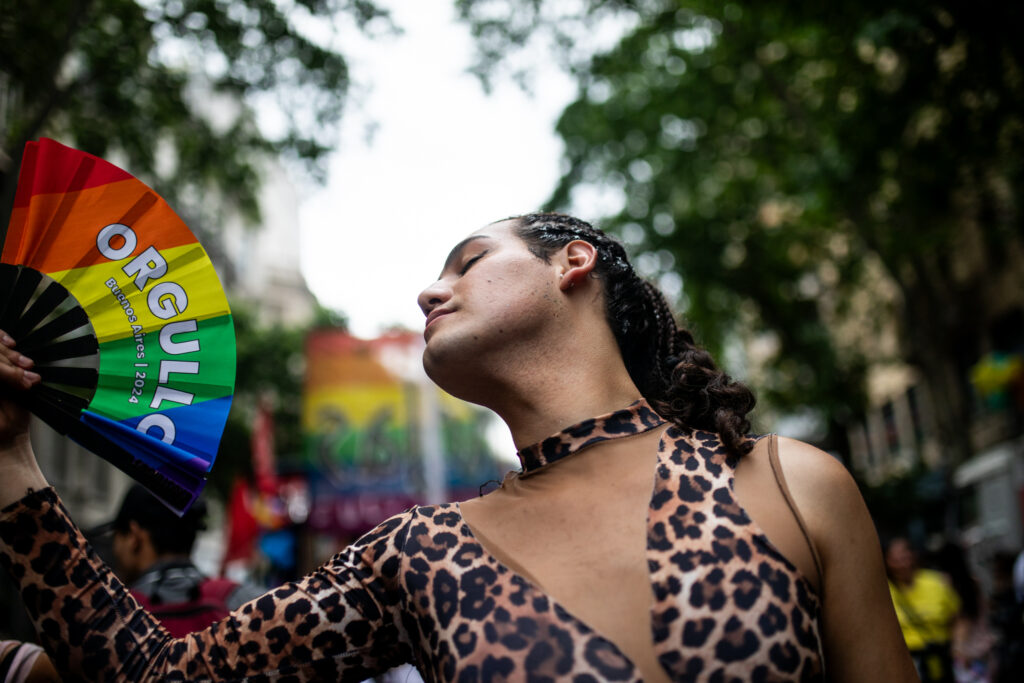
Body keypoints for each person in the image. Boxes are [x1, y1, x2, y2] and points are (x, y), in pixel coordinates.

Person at [0, 213, 916, 680]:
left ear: (574, 261)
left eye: (467, 261)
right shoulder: (419, 553)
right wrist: (9, 460)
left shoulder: (796, 486)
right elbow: (159, 676)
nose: (429, 293)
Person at [92, 483, 264, 638]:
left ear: (134, 536)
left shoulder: (109, 616)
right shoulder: (247, 603)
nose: (114, 548)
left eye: (116, 536)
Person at [885, 536, 960, 682]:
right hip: (906, 665)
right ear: (887, 562)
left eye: (905, 556)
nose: (902, 564)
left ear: (913, 556)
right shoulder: (884, 591)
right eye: (896, 559)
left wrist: (957, 647)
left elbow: (956, 616)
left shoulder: (936, 582)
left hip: (941, 661)